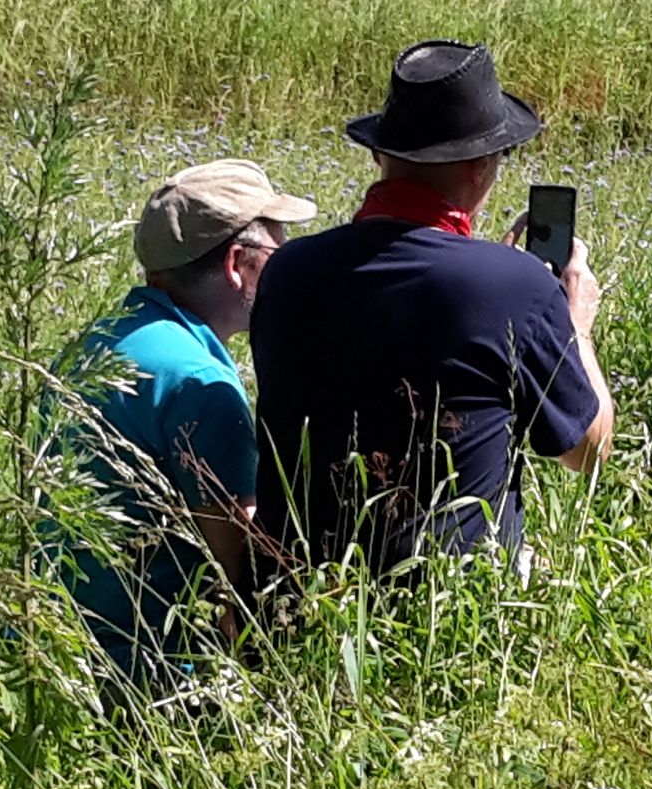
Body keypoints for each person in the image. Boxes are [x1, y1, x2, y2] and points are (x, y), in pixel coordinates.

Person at [249, 40, 615, 576]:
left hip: (296, 591)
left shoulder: (287, 271)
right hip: (445, 609)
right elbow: (587, 450)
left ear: (378, 156)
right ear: (482, 165)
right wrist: (575, 326)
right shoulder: (514, 287)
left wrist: (495, 278)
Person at [44, 158, 314, 676]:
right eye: (279, 255)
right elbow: (244, 569)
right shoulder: (197, 382)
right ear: (237, 263)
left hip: (55, 646)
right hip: (149, 669)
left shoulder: (94, 344)